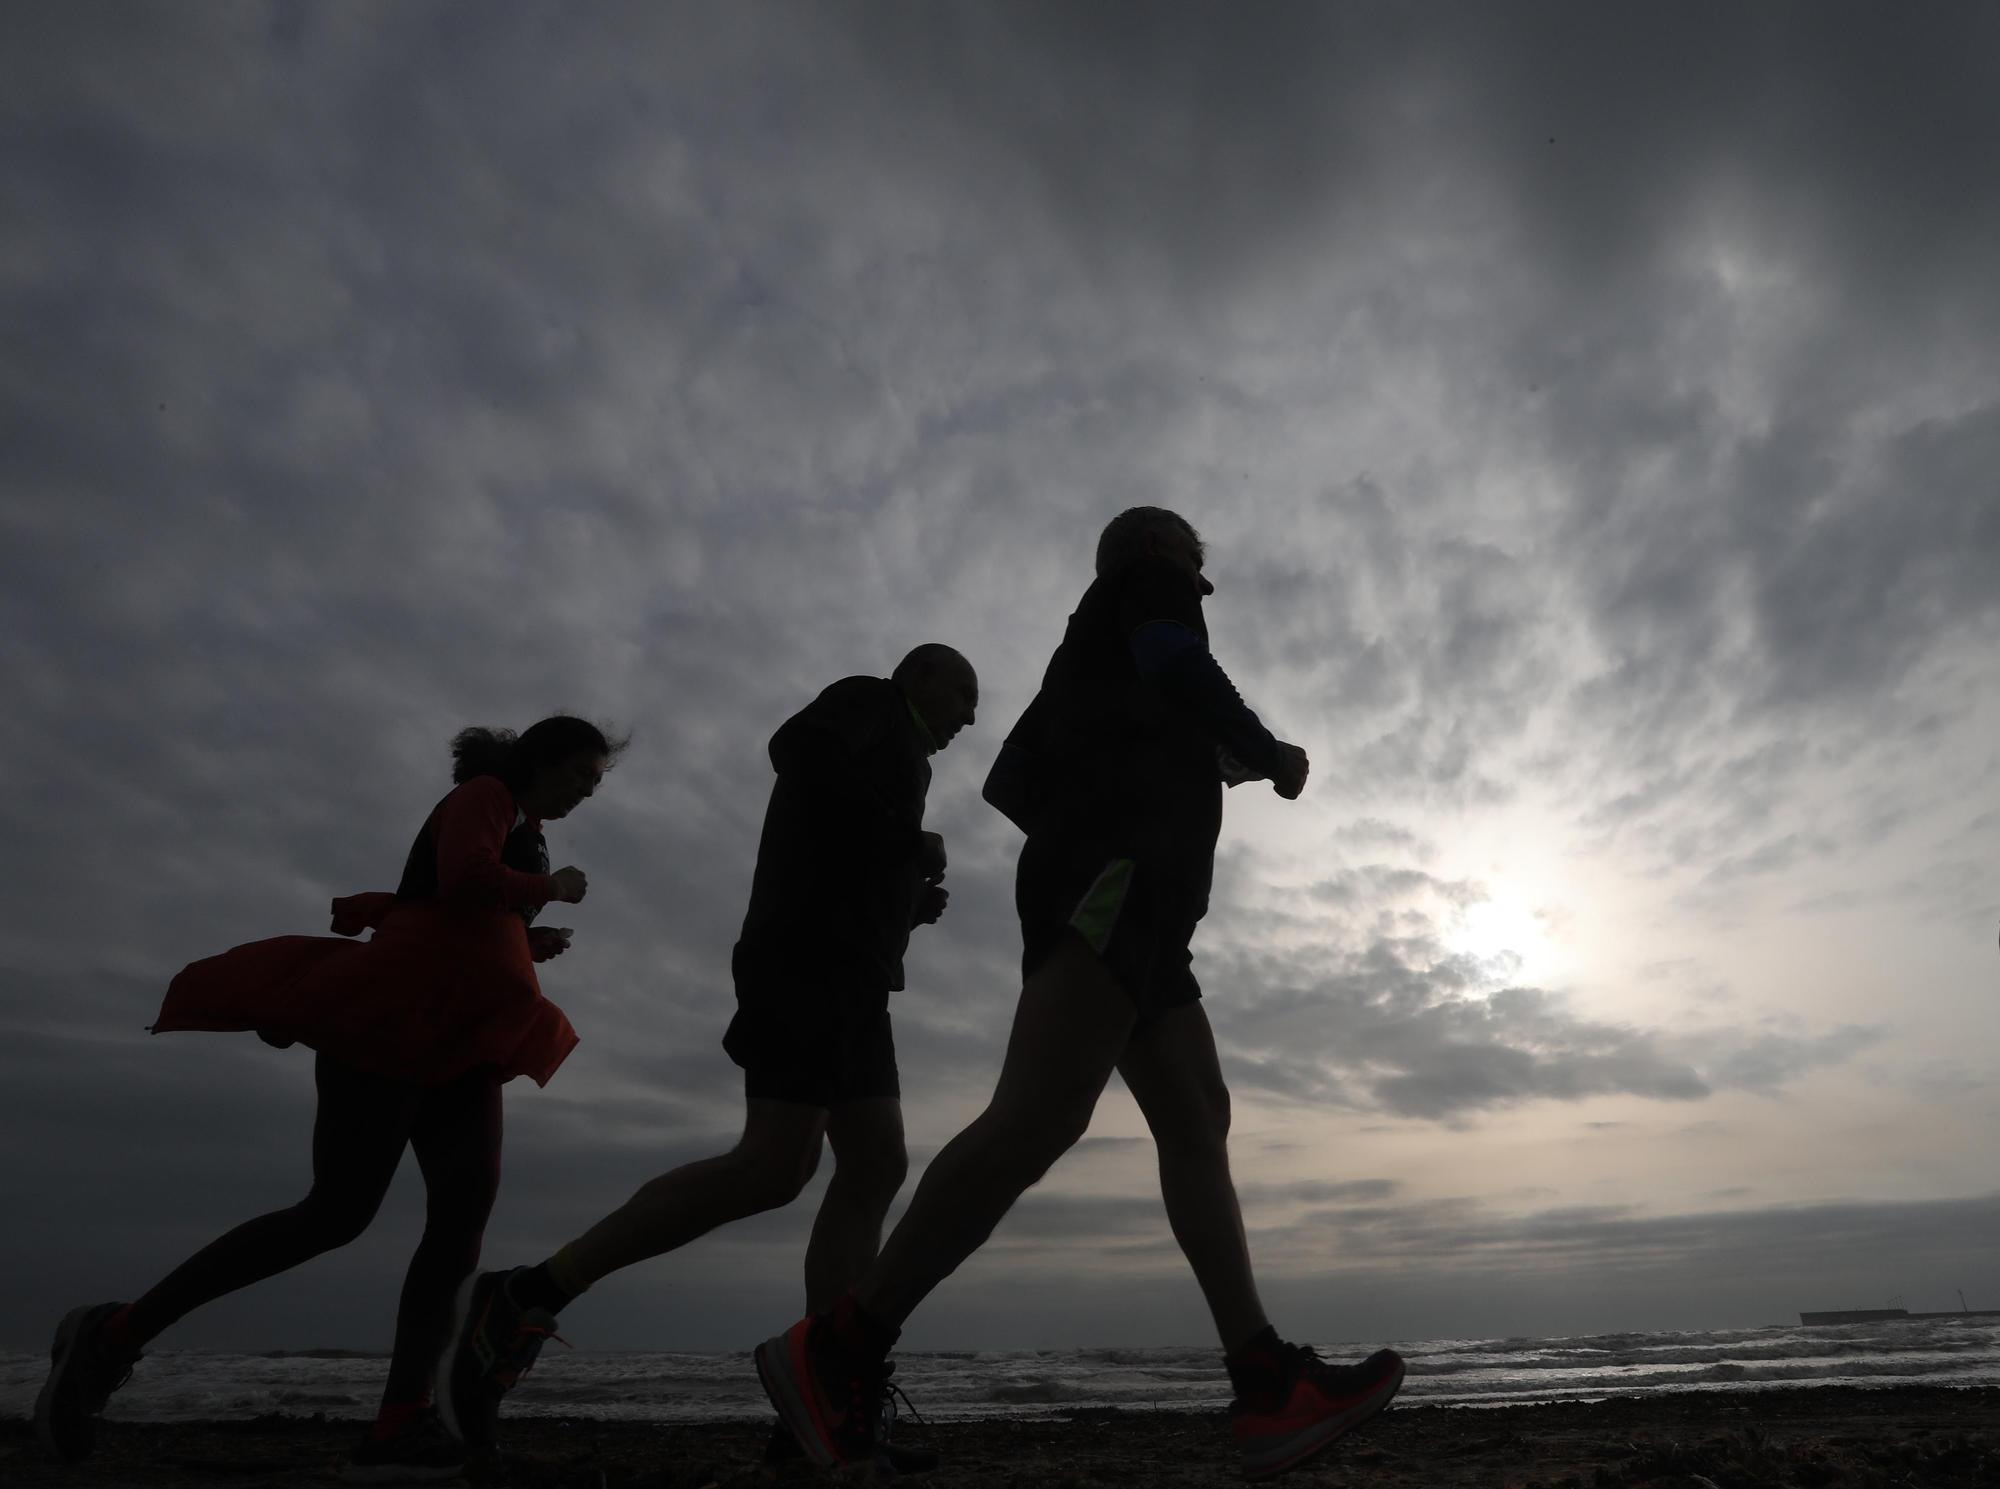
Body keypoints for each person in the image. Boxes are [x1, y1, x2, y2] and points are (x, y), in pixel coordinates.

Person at [754, 510, 1405, 1482]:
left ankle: (1264, 1380)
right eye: (1198, 563)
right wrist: (1265, 752)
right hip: (1118, 881)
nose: (1199, 576)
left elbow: (1014, 780)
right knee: (1037, 1119)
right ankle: (836, 1347)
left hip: (1142, 907)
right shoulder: (1147, 582)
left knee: (1195, 1114)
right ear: (1171, 555)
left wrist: (1128, 784)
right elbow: (1173, 657)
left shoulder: (1082, 658)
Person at [34, 716, 619, 1484]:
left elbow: (472, 909)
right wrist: (553, 889)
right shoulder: (487, 794)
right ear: (540, 759)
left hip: (464, 1038)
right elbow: (463, 878)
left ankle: (400, 1421)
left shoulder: (526, 826)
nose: (589, 788)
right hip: (394, 1018)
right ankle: (112, 1334)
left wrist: (527, 935)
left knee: (462, 1214)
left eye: (596, 779)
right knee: (337, 1211)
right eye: (582, 771)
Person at [441, 646, 978, 1473]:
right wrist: (906, 839)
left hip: (854, 978)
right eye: (963, 692)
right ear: (920, 675)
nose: (970, 715)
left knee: (875, 1163)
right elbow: (796, 752)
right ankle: (529, 1293)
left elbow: (841, 845)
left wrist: (906, 905)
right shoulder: (869, 702)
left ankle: (824, 1400)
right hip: (803, 964)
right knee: (772, 1166)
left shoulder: (897, 756)